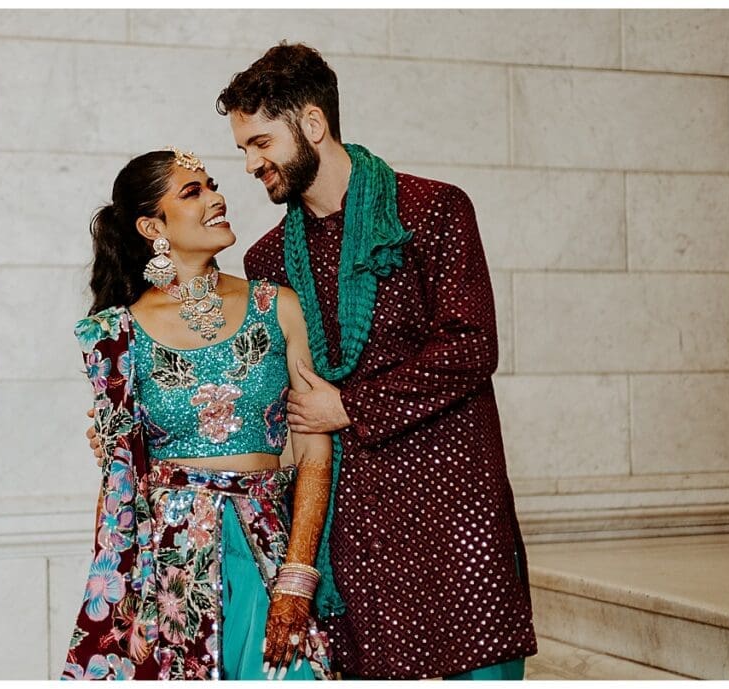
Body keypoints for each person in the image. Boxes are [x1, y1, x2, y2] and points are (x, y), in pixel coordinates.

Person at [213, 43, 538, 680]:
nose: (251, 164)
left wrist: (348, 403)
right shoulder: (267, 262)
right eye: (243, 149)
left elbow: (472, 344)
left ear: (311, 124)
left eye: (259, 142)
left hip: (454, 508)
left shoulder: (432, 212)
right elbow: (271, 399)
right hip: (356, 529)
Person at [63, 148, 335, 681]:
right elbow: (120, 486)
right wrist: (124, 607)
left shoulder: (277, 305)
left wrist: (298, 574)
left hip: (267, 542)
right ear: (151, 226)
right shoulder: (116, 334)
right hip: (169, 566)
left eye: (212, 185)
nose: (217, 197)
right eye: (193, 192)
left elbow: (312, 449)